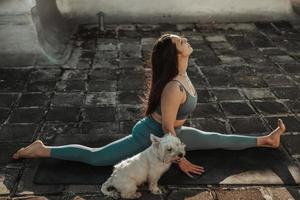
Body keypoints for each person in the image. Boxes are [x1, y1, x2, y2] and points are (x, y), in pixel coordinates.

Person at [12, 33, 286, 178]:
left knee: (215, 138)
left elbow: (174, 127)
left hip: (170, 131)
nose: (187, 41)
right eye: (182, 41)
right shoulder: (173, 88)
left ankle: (266, 140)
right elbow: (167, 130)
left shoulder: (183, 75)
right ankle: (43, 150)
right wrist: (182, 161)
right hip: (150, 137)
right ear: (175, 53)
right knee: (97, 159)